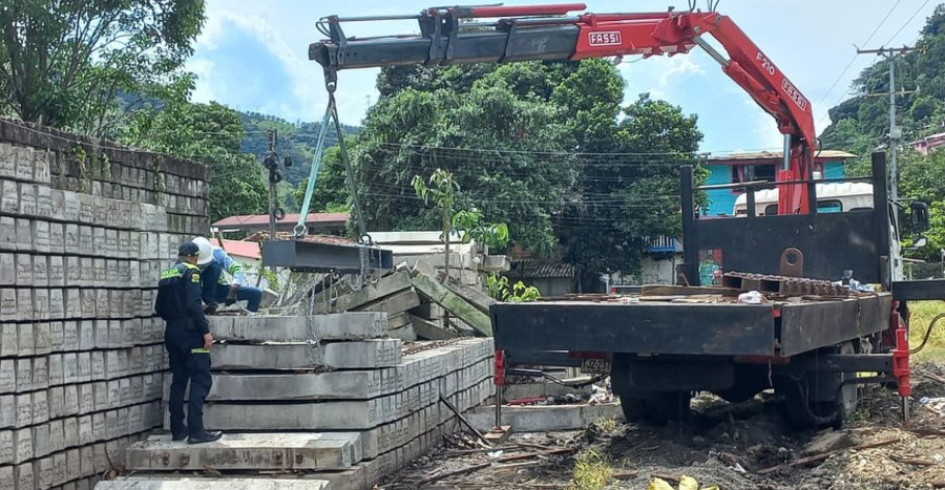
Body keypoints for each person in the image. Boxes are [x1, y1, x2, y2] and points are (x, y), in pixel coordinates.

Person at [154, 242, 223, 445]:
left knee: (179, 379)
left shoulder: (166, 273)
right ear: (194, 256)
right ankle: (196, 431)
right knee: (201, 378)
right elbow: (194, 304)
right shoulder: (192, 272)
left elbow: (159, 307)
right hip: (191, 332)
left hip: (171, 332)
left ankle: (178, 429)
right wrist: (205, 332)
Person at [191, 236, 263, 314]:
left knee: (255, 293)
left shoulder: (217, 254)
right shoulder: (185, 261)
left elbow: (237, 269)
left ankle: (250, 319)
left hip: (219, 289)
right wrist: (203, 304)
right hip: (197, 292)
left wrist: (233, 289)